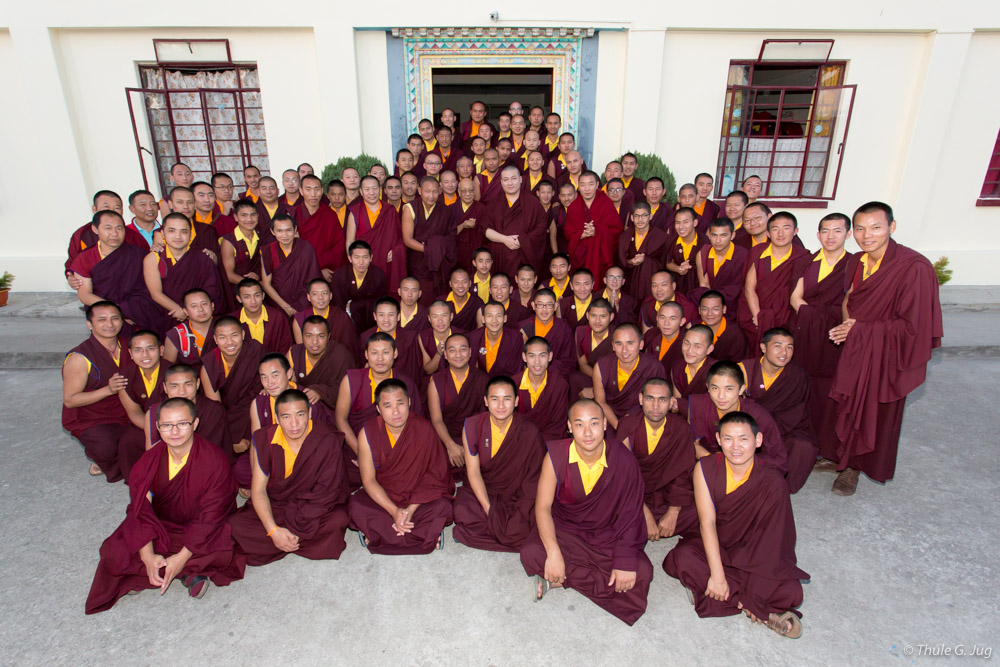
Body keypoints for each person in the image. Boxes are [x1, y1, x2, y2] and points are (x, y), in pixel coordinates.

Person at [820, 202, 942, 495]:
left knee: (870, 411)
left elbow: (914, 327)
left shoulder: (914, 267)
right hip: (857, 347)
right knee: (844, 403)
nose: (867, 235)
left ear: (892, 227)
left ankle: (855, 467)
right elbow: (851, 298)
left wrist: (860, 330)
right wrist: (850, 323)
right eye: (860, 228)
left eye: (876, 227)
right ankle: (838, 456)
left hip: (886, 354)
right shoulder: (856, 261)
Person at [85, 398, 245, 614]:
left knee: (226, 542)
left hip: (201, 526)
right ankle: (182, 572)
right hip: (162, 524)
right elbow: (141, 509)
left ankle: (168, 570)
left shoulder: (214, 460)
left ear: (195, 423)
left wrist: (181, 558)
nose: (175, 431)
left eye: (182, 423)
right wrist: (147, 555)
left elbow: (212, 516)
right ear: (158, 427)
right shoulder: (149, 460)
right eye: (167, 425)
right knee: (114, 550)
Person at [663, 412, 808, 639]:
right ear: (719, 440)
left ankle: (726, 597)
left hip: (756, 555)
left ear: (758, 440)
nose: (736, 446)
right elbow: (707, 522)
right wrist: (718, 575)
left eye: (744, 438)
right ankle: (763, 610)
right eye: (728, 438)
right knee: (681, 557)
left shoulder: (773, 482)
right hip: (718, 546)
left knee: (792, 591)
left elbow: (774, 543)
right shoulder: (705, 468)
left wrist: (755, 592)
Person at [520, 399, 652, 626]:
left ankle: (561, 579)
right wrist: (553, 553)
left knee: (640, 571)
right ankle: (580, 578)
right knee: (531, 552)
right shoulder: (555, 456)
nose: (587, 432)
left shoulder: (622, 457)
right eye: (579, 424)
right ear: (570, 427)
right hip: (567, 530)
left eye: (593, 423)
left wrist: (624, 561)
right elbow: (542, 507)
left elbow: (631, 513)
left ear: (604, 425)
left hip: (608, 533)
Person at [229, 389, 351, 566]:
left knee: (338, 519)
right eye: (286, 417)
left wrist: (295, 522)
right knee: (235, 525)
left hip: (312, 509)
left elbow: (328, 491)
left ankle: (283, 542)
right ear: (277, 419)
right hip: (278, 505)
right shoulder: (264, 439)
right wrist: (273, 531)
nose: (294, 424)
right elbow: (258, 491)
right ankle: (290, 541)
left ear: (309, 413)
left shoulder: (326, 438)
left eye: (300, 414)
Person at [350, 379, 454, 554]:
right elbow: (368, 481)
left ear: (409, 402)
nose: (396, 411)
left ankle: (380, 536)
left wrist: (410, 510)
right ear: (378, 409)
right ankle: (425, 535)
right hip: (386, 497)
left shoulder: (424, 429)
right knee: (355, 505)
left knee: (444, 506)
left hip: (419, 499)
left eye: (400, 403)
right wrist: (394, 511)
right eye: (388, 406)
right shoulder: (367, 432)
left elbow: (435, 476)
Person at [454, 375, 547, 551]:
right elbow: (473, 473)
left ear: (517, 401)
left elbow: (534, 479)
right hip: (486, 490)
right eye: (495, 399)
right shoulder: (473, 426)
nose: (501, 405)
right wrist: (489, 510)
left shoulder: (529, 431)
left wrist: (523, 506)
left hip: (517, 493)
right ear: (486, 401)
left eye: (507, 399)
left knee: (534, 516)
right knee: (461, 509)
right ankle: (505, 532)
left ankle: (483, 533)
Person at [788, 213, 852, 431]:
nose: (830, 236)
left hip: (836, 333)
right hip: (805, 331)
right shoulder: (806, 262)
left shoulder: (854, 264)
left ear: (848, 234)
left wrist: (818, 317)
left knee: (827, 386)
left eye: (837, 231)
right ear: (818, 235)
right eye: (825, 231)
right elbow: (795, 298)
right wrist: (813, 317)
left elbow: (853, 302)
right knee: (801, 380)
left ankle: (823, 433)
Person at [335, 333, 424, 484]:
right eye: (374, 353)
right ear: (366, 355)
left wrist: (392, 457)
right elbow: (340, 419)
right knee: (340, 476)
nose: (380, 358)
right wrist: (363, 453)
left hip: (396, 453)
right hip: (357, 447)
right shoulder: (352, 380)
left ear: (395, 353)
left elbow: (414, 425)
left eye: (386, 352)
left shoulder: (405, 384)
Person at [617, 378, 698, 541]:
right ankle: (644, 524)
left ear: (671, 403)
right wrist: (644, 513)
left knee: (701, 509)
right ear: (641, 399)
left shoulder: (680, 428)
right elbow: (621, 476)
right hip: (634, 494)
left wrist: (673, 512)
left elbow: (683, 472)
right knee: (614, 509)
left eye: (662, 400)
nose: (655, 406)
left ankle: (651, 525)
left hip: (667, 494)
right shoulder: (627, 426)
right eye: (649, 399)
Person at [62, 301, 135, 482]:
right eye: (102, 319)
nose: (109, 324)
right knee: (107, 448)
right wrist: (108, 390)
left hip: (129, 411)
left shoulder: (130, 346)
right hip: (93, 417)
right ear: (89, 324)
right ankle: (101, 459)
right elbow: (70, 400)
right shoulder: (79, 357)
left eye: (114, 318)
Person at [740, 328, 818, 493]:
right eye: (778, 346)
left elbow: (795, 411)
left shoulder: (797, 375)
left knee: (804, 447)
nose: (784, 352)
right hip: (748, 425)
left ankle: (781, 489)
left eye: (789, 347)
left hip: (784, 426)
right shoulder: (744, 370)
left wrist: (770, 432)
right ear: (763, 347)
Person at [70, 211, 164, 333]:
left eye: (119, 228)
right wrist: (118, 311)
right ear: (95, 229)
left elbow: (151, 287)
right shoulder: (85, 257)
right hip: (106, 315)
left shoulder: (138, 254)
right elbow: (85, 295)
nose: (114, 233)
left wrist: (129, 311)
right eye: (108, 228)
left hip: (139, 311)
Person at [688, 362, 787, 475]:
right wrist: (716, 462)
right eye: (715, 388)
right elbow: (693, 444)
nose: (721, 396)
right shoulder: (699, 404)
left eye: (729, 389)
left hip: (746, 465)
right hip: (709, 461)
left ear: (741, 390)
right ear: (708, 388)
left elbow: (777, 455)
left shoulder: (757, 414)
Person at [739, 212, 811, 351]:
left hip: (786, 316)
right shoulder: (758, 252)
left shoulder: (803, 257)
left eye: (786, 228)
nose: (780, 233)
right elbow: (749, 288)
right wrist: (757, 315)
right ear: (768, 233)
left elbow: (799, 292)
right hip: (754, 313)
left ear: (795, 231)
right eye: (775, 229)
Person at [200, 316, 265, 462]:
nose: (229, 342)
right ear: (215, 340)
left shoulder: (256, 351)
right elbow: (216, 409)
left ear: (243, 335)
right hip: (228, 416)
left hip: (253, 412)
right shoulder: (209, 365)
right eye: (222, 337)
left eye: (234, 335)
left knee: (263, 402)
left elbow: (272, 379)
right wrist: (231, 438)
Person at [143, 214, 224, 327]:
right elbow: (156, 293)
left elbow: (212, 288)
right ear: (162, 234)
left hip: (199, 313)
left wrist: (191, 310)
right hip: (171, 313)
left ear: (190, 235)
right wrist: (179, 310)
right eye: (171, 231)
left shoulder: (202, 257)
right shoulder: (153, 259)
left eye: (184, 232)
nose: (178, 236)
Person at [427, 333, 488, 468]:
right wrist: (450, 445)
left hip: (475, 435)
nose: (458, 355)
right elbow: (436, 420)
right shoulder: (436, 382)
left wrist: (471, 443)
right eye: (452, 350)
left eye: (463, 349)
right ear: (446, 355)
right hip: (447, 435)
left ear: (470, 352)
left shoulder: (482, 379)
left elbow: (486, 417)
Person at [144, 364, 231, 456]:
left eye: (188, 384)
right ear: (165, 387)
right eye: (174, 386)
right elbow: (151, 454)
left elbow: (215, 451)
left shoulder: (214, 411)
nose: (182, 392)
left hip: (205, 463)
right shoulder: (154, 413)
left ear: (197, 384)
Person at [593, 323, 662, 430]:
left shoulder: (653, 367)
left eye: (630, 343)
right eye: (619, 344)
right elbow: (600, 402)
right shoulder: (601, 366)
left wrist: (630, 418)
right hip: (611, 416)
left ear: (641, 344)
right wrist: (618, 425)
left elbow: (659, 402)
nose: (624, 350)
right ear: (613, 346)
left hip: (642, 417)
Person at [482, 165, 548, 277]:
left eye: (513, 178)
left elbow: (541, 228)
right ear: (501, 182)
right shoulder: (493, 204)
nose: (510, 183)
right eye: (506, 179)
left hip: (523, 256)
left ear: (520, 179)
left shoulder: (533, 203)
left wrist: (522, 240)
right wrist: (504, 239)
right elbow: (485, 229)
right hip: (500, 257)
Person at [345, 175, 406, 291]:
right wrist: (353, 261)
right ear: (361, 192)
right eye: (367, 189)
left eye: (374, 188)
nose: (371, 192)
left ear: (380, 190)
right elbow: (349, 241)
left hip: (386, 263)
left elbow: (400, 238)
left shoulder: (389, 210)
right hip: (363, 264)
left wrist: (396, 251)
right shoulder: (355, 212)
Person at [402, 176, 455, 302]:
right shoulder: (410, 208)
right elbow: (407, 240)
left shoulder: (445, 211)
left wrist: (438, 247)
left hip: (439, 264)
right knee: (423, 297)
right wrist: (429, 250)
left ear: (440, 191)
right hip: (418, 263)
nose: (431, 196)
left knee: (440, 298)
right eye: (427, 191)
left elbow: (451, 237)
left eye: (435, 192)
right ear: (419, 191)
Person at [287, 316, 354, 410]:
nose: (314, 342)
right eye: (309, 336)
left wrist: (321, 392)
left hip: (334, 411)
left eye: (321, 336)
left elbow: (351, 388)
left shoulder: (340, 354)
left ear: (328, 336)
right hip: (302, 408)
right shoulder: (294, 352)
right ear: (302, 336)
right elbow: (283, 380)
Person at [260, 214, 322, 316]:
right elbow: (266, 284)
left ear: (295, 229)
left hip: (303, 302)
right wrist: (286, 307)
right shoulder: (267, 251)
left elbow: (313, 277)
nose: (285, 235)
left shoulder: (306, 247)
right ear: (272, 232)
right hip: (278, 303)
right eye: (279, 231)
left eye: (288, 230)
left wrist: (302, 303)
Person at [291, 278, 359, 366]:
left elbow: (350, 349)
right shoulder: (299, 319)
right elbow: (302, 352)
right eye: (315, 294)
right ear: (308, 297)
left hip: (338, 365)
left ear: (330, 296)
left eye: (324, 293)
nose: (320, 297)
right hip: (312, 366)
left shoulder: (342, 317)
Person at [290, 174, 345, 278]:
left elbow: (339, 246)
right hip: (300, 271)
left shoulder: (330, 215)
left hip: (326, 269)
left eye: (316, 189)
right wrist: (316, 269)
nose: (313, 194)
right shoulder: (293, 214)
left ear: (322, 190)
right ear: (301, 191)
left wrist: (319, 266)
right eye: (308, 189)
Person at [360, 296, 424, 384]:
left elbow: (416, 371)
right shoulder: (366, 337)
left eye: (391, 315)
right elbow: (362, 368)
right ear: (375, 316)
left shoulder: (410, 337)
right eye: (381, 315)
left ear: (398, 317)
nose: (386, 320)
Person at [515, 336, 569, 439]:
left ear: (550, 356)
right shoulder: (514, 384)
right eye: (531, 356)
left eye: (542, 356)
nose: (537, 362)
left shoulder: (559, 384)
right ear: (524, 357)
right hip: (520, 439)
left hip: (550, 439)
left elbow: (558, 424)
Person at [692, 218, 749, 315]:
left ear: (732, 235)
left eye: (723, 235)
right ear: (709, 235)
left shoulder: (743, 255)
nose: (718, 240)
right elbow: (704, 285)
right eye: (714, 235)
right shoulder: (703, 254)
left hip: (734, 305)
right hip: (710, 304)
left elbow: (739, 288)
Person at [331, 240, 388, 335]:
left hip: (370, 322)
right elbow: (338, 305)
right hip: (346, 321)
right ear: (350, 258)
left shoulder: (378, 275)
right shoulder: (340, 276)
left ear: (371, 258)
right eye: (356, 257)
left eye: (365, 257)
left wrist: (355, 306)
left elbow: (381, 303)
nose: (361, 262)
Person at [619, 202, 668, 303]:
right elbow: (620, 261)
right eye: (636, 216)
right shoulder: (625, 236)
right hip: (629, 285)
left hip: (651, 285)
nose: (640, 219)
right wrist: (631, 262)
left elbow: (664, 264)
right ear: (632, 218)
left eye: (644, 215)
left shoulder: (661, 237)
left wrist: (646, 260)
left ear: (650, 216)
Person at [519, 288, 575, 377]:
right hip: (528, 375)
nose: (544, 310)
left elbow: (568, 361)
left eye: (549, 305)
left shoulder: (563, 327)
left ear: (556, 306)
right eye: (540, 305)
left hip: (555, 375)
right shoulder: (523, 327)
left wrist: (547, 374)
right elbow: (517, 359)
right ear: (533, 305)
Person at [570, 297, 615, 399]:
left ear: (611, 317)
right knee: (575, 379)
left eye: (603, 316)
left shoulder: (617, 335)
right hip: (592, 376)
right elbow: (582, 365)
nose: (597, 321)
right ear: (587, 316)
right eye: (593, 316)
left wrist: (597, 390)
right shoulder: (581, 332)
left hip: (612, 380)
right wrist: (597, 383)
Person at [232, 278, 292, 355]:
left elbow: (286, 346)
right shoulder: (233, 320)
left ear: (263, 296)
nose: (253, 301)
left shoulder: (277, 316)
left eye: (257, 295)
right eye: (247, 297)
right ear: (239, 299)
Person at [469, 300, 526, 379]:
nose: (494, 320)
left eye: (498, 316)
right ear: (483, 319)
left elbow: (516, 370)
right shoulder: (474, 337)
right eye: (489, 316)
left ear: (505, 318)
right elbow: (471, 368)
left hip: (505, 385)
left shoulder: (515, 338)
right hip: (480, 384)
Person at [163, 289, 216, 369]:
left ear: (212, 306)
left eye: (204, 304)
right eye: (194, 306)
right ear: (185, 311)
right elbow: (168, 370)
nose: (200, 309)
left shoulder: (225, 327)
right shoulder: (176, 335)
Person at [220, 199, 264, 295]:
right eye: (244, 215)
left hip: (259, 289)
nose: (249, 219)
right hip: (237, 290)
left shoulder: (261, 237)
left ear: (258, 216)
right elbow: (229, 275)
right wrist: (253, 284)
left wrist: (257, 274)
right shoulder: (229, 241)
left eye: (253, 215)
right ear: (236, 217)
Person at [671, 325, 717, 401]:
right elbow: (677, 402)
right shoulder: (677, 367)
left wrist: (681, 406)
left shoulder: (716, 370)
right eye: (687, 344)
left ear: (709, 349)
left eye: (697, 346)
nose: (690, 350)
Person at [698, 291, 746, 362]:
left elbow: (739, 365)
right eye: (705, 309)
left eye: (715, 309)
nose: (709, 313)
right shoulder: (695, 330)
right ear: (699, 310)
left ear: (724, 309)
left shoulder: (735, 334)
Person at [642, 301, 687, 378]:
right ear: (657, 319)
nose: (666, 323)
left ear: (682, 322)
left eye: (672, 318)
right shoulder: (651, 334)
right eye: (662, 317)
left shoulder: (687, 341)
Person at [665, 207, 703, 297]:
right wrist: (678, 269)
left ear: (695, 223)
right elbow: (668, 263)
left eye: (686, 222)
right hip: (677, 288)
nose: (681, 226)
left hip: (697, 289)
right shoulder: (671, 241)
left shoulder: (704, 243)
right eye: (677, 222)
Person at [418, 300, 460, 375]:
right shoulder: (423, 337)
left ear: (451, 316)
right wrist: (439, 354)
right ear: (429, 319)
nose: (440, 321)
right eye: (435, 316)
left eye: (444, 315)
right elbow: (428, 370)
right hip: (434, 380)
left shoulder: (461, 336)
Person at [454, 177, 485, 264]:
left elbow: (486, 231)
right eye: (464, 191)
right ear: (459, 192)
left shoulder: (482, 209)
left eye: (471, 190)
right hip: (456, 253)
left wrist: (477, 225)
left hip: (475, 253)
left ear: (475, 192)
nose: (468, 194)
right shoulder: (451, 209)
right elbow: (448, 233)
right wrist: (463, 225)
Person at [442, 267, 483, 332]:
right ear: (450, 284)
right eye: (456, 282)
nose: (460, 285)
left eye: (464, 282)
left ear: (470, 283)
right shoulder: (441, 302)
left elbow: (480, 331)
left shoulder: (477, 302)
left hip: (470, 340)